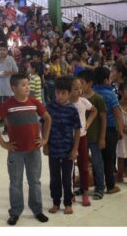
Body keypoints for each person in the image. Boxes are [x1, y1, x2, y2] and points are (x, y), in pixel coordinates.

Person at [0, 74, 51, 226]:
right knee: (15, 182)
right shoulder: (8, 104)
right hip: (15, 151)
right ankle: (15, 211)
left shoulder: (34, 102)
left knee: (34, 181)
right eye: (23, 85)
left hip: (34, 150)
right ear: (13, 88)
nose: (27, 87)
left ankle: (37, 209)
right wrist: (2, 143)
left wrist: (45, 138)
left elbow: (48, 118)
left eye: (28, 84)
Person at [44, 77, 81, 215]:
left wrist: (75, 149)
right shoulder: (49, 107)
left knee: (67, 178)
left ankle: (68, 203)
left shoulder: (72, 109)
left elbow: (77, 130)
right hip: (53, 149)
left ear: (69, 93)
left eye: (63, 93)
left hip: (68, 150)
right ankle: (55, 202)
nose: (60, 96)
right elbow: (44, 125)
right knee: (54, 178)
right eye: (57, 93)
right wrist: (45, 143)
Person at [92, 66, 124, 195]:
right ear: (106, 80)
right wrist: (120, 130)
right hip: (110, 130)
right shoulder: (111, 94)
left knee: (97, 158)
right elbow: (117, 114)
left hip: (94, 130)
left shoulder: (92, 93)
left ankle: (98, 183)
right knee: (109, 158)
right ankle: (110, 185)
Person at [78, 69, 107, 200]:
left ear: (89, 83)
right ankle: (83, 187)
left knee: (97, 163)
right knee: (82, 163)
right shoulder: (78, 99)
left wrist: (102, 137)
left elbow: (103, 118)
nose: (79, 86)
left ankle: (100, 187)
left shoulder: (98, 98)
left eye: (82, 83)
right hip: (81, 137)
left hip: (95, 138)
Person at [68, 76, 97, 206]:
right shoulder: (66, 103)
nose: (79, 91)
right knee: (70, 167)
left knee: (83, 166)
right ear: (68, 90)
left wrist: (88, 123)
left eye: (80, 88)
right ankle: (70, 191)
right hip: (68, 139)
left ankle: (85, 193)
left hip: (82, 137)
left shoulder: (84, 101)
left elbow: (94, 111)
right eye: (75, 89)